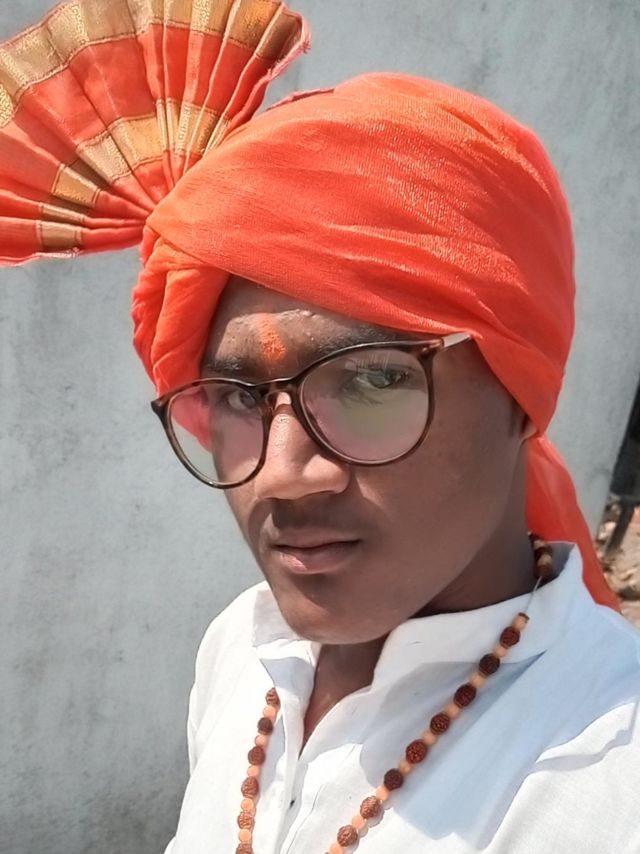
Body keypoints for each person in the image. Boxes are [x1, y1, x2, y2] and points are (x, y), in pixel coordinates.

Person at [1, 1, 639, 852]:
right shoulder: (243, 649)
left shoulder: (607, 774)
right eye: (236, 395)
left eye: (374, 379)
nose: (281, 474)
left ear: (521, 394)